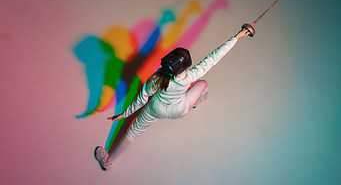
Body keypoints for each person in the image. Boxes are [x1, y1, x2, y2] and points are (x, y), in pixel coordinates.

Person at [94, 27, 250, 171]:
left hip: (156, 109)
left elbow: (141, 100)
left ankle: (107, 161)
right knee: (203, 84)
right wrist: (237, 36)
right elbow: (213, 58)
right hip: (179, 110)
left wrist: (124, 114)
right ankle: (194, 102)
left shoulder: (155, 80)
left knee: (134, 132)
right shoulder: (190, 76)